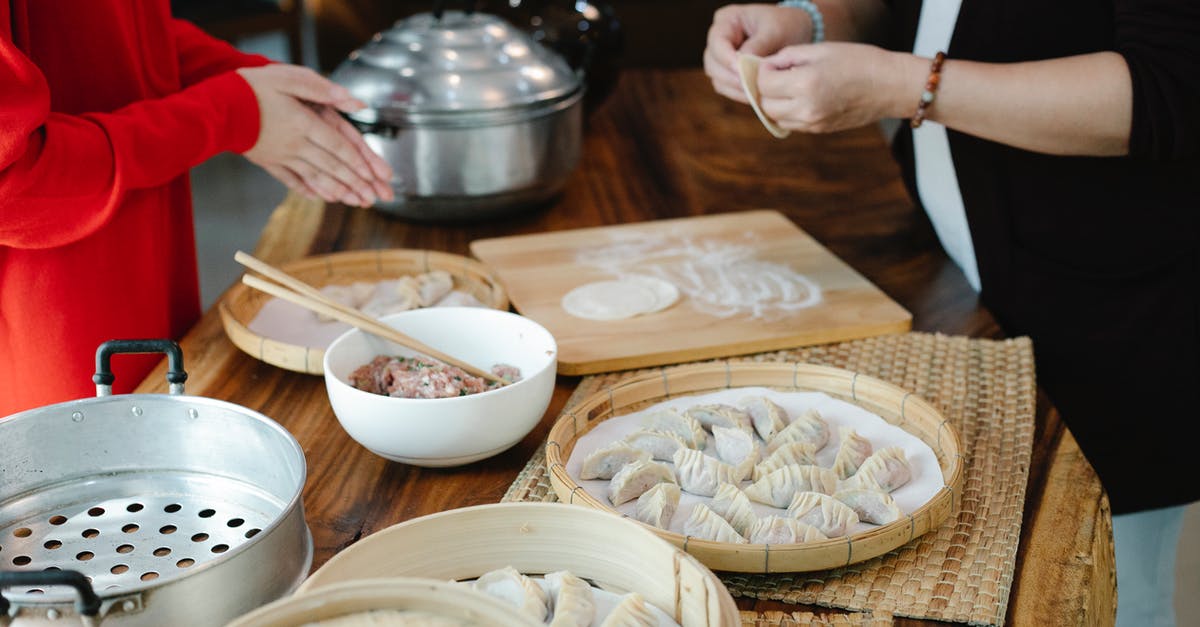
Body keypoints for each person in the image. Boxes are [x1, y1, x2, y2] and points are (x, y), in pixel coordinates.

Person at [704, 2, 1199, 626]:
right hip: (963, 272)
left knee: (1104, 588)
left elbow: (1168, 84)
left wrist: (899, 85)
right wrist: (816, 22)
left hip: (1119, 319)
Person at [0, 1, 394, 416]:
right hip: (53, 336)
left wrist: (258, 87)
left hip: (147, 280)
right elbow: (12, 182)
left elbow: (116, 28)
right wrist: (228, 111)